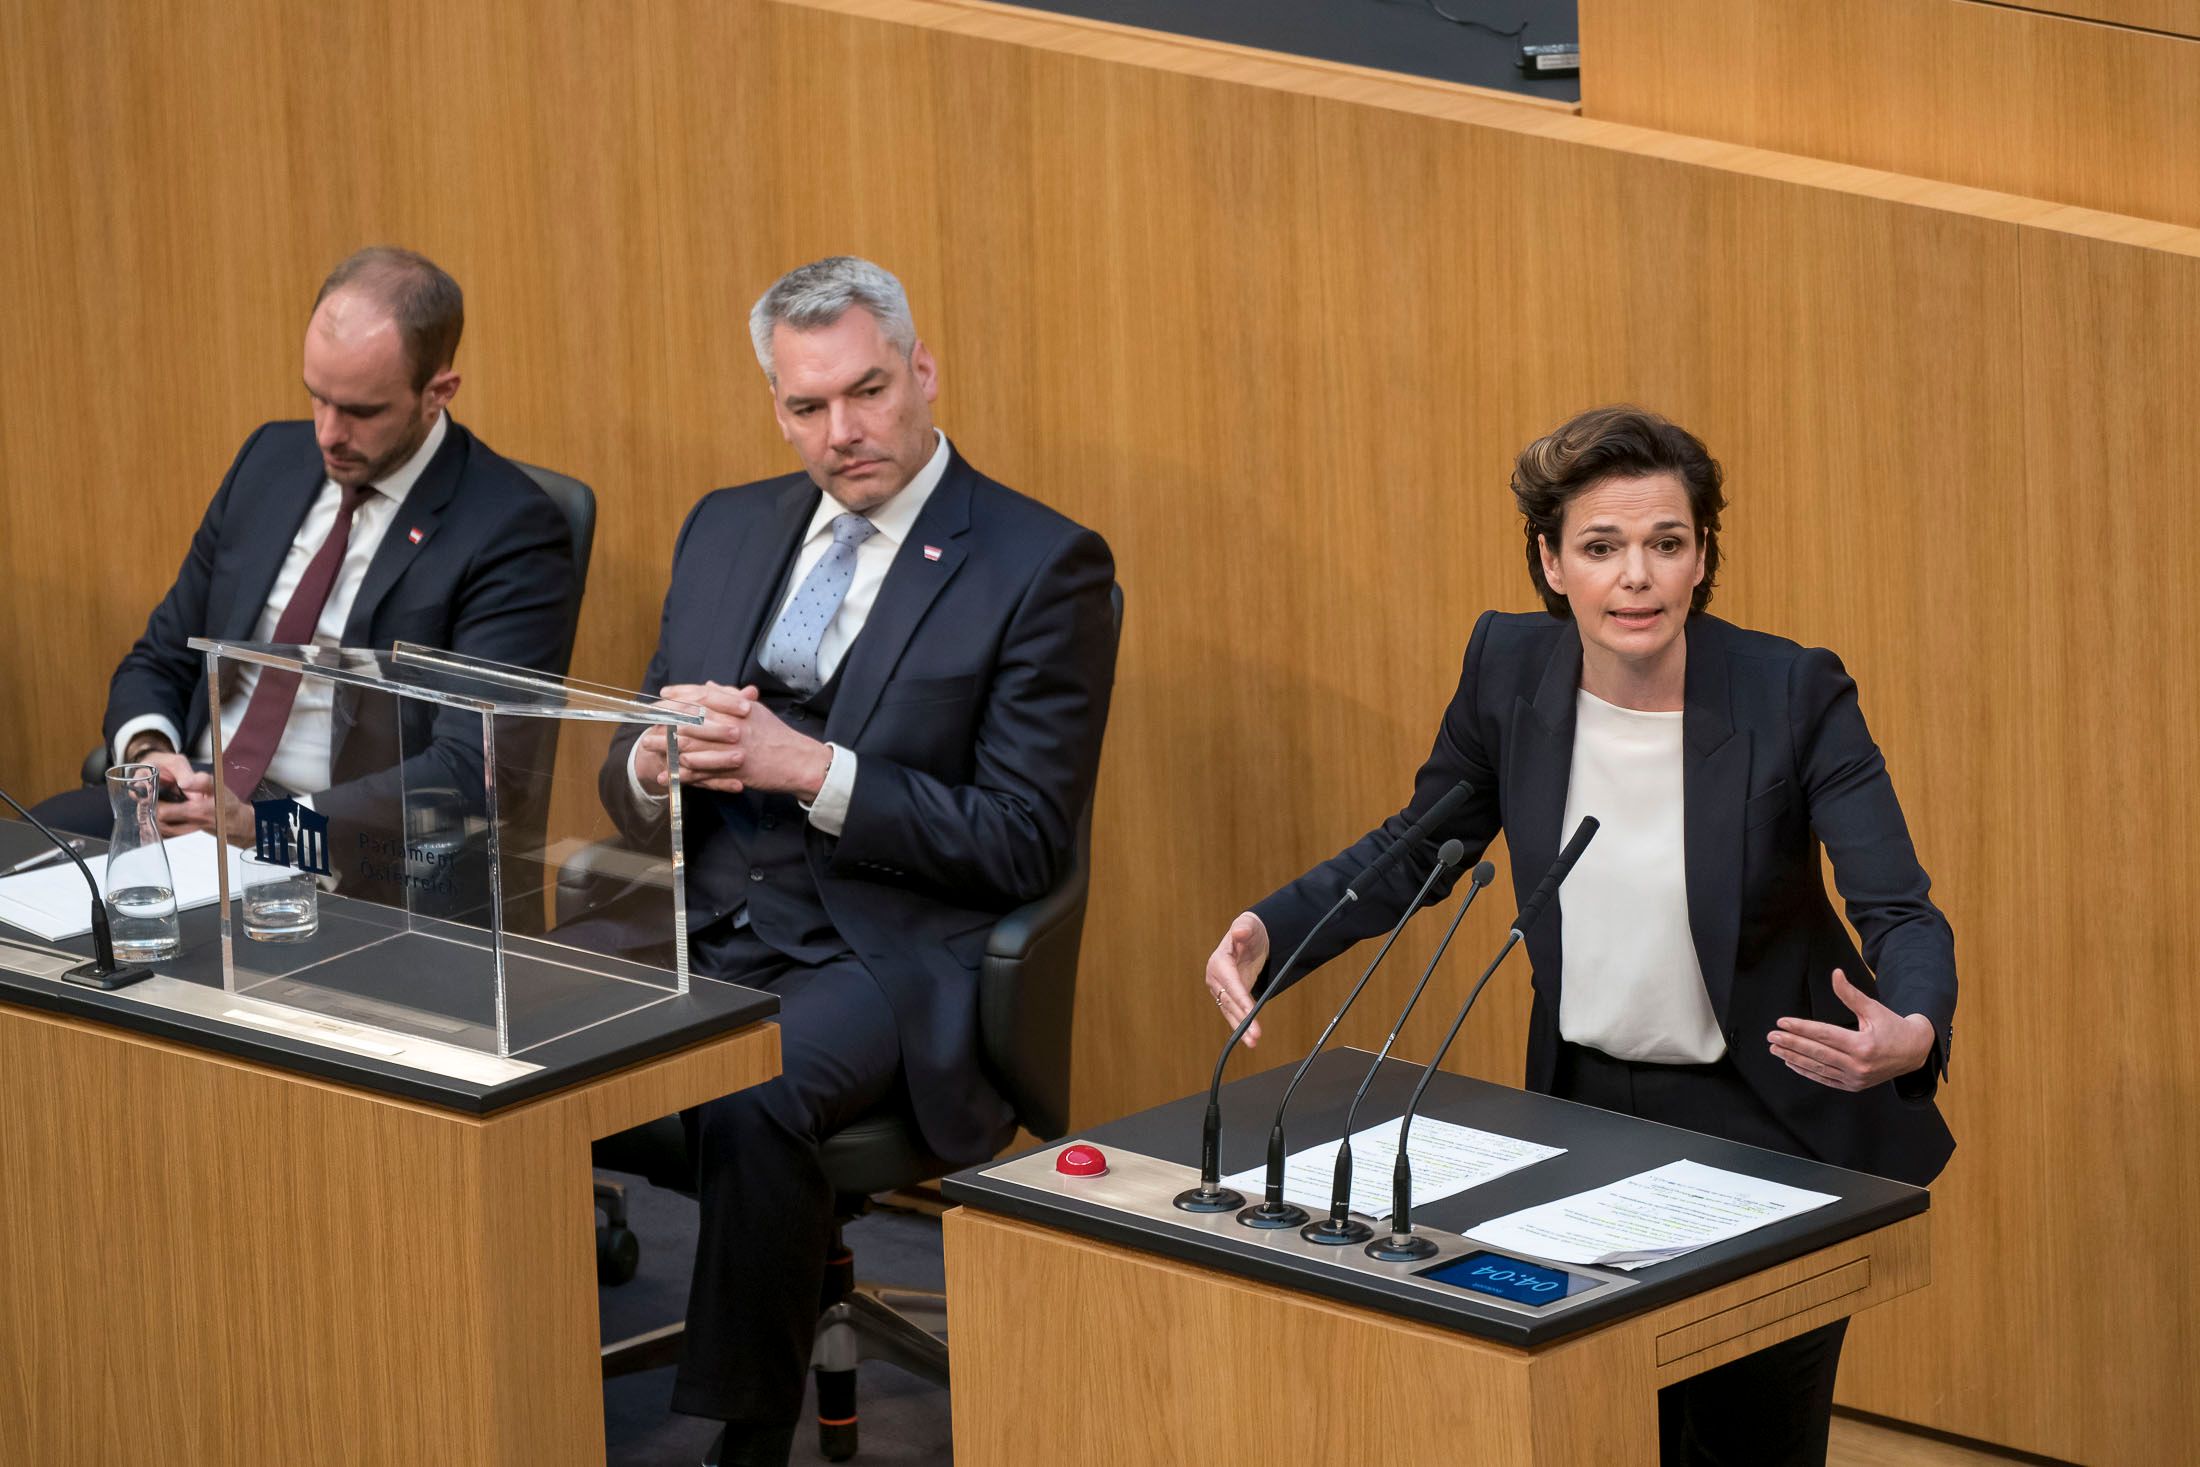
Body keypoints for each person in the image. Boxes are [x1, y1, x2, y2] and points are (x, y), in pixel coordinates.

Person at [1202, 405, 1955, 1467]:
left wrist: (1912, 1027)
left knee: (1743, 1441)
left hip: (1766, 1119)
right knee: (1597, 1427)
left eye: (1666, 542)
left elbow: (1898, 908)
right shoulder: (1509, 669)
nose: (1636, 577)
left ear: (1702, 558)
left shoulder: (1790, 692)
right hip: (1581, 1114)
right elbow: (1420, 846)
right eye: (1601, 547)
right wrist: (1273, 931)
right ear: (1552, 564)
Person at [598, 256, 1117, 1467]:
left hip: (884, 948)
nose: (843, 431)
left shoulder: (1040, 565)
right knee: (503, 1030)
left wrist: (809, 770)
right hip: (699, 914)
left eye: (868, 392)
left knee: (751, 1090)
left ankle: (738, 1436)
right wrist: (649, 765)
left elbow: (1020, 838)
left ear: (922, 372)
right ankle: (498, 1382)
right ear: (777, 408)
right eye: (808, 406)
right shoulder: (725, 526)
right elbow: (622, 759)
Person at [31, 246, 578, 848]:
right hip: (190, 808)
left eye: (361, 411)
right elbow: (162, 656)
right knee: (24, 857)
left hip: (337, 845)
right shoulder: (270, 460)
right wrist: (151, 755)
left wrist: (267, 829)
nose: (328, 433)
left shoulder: (510, 528)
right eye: (317, 396)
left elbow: (471, 770)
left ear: (438, 392)